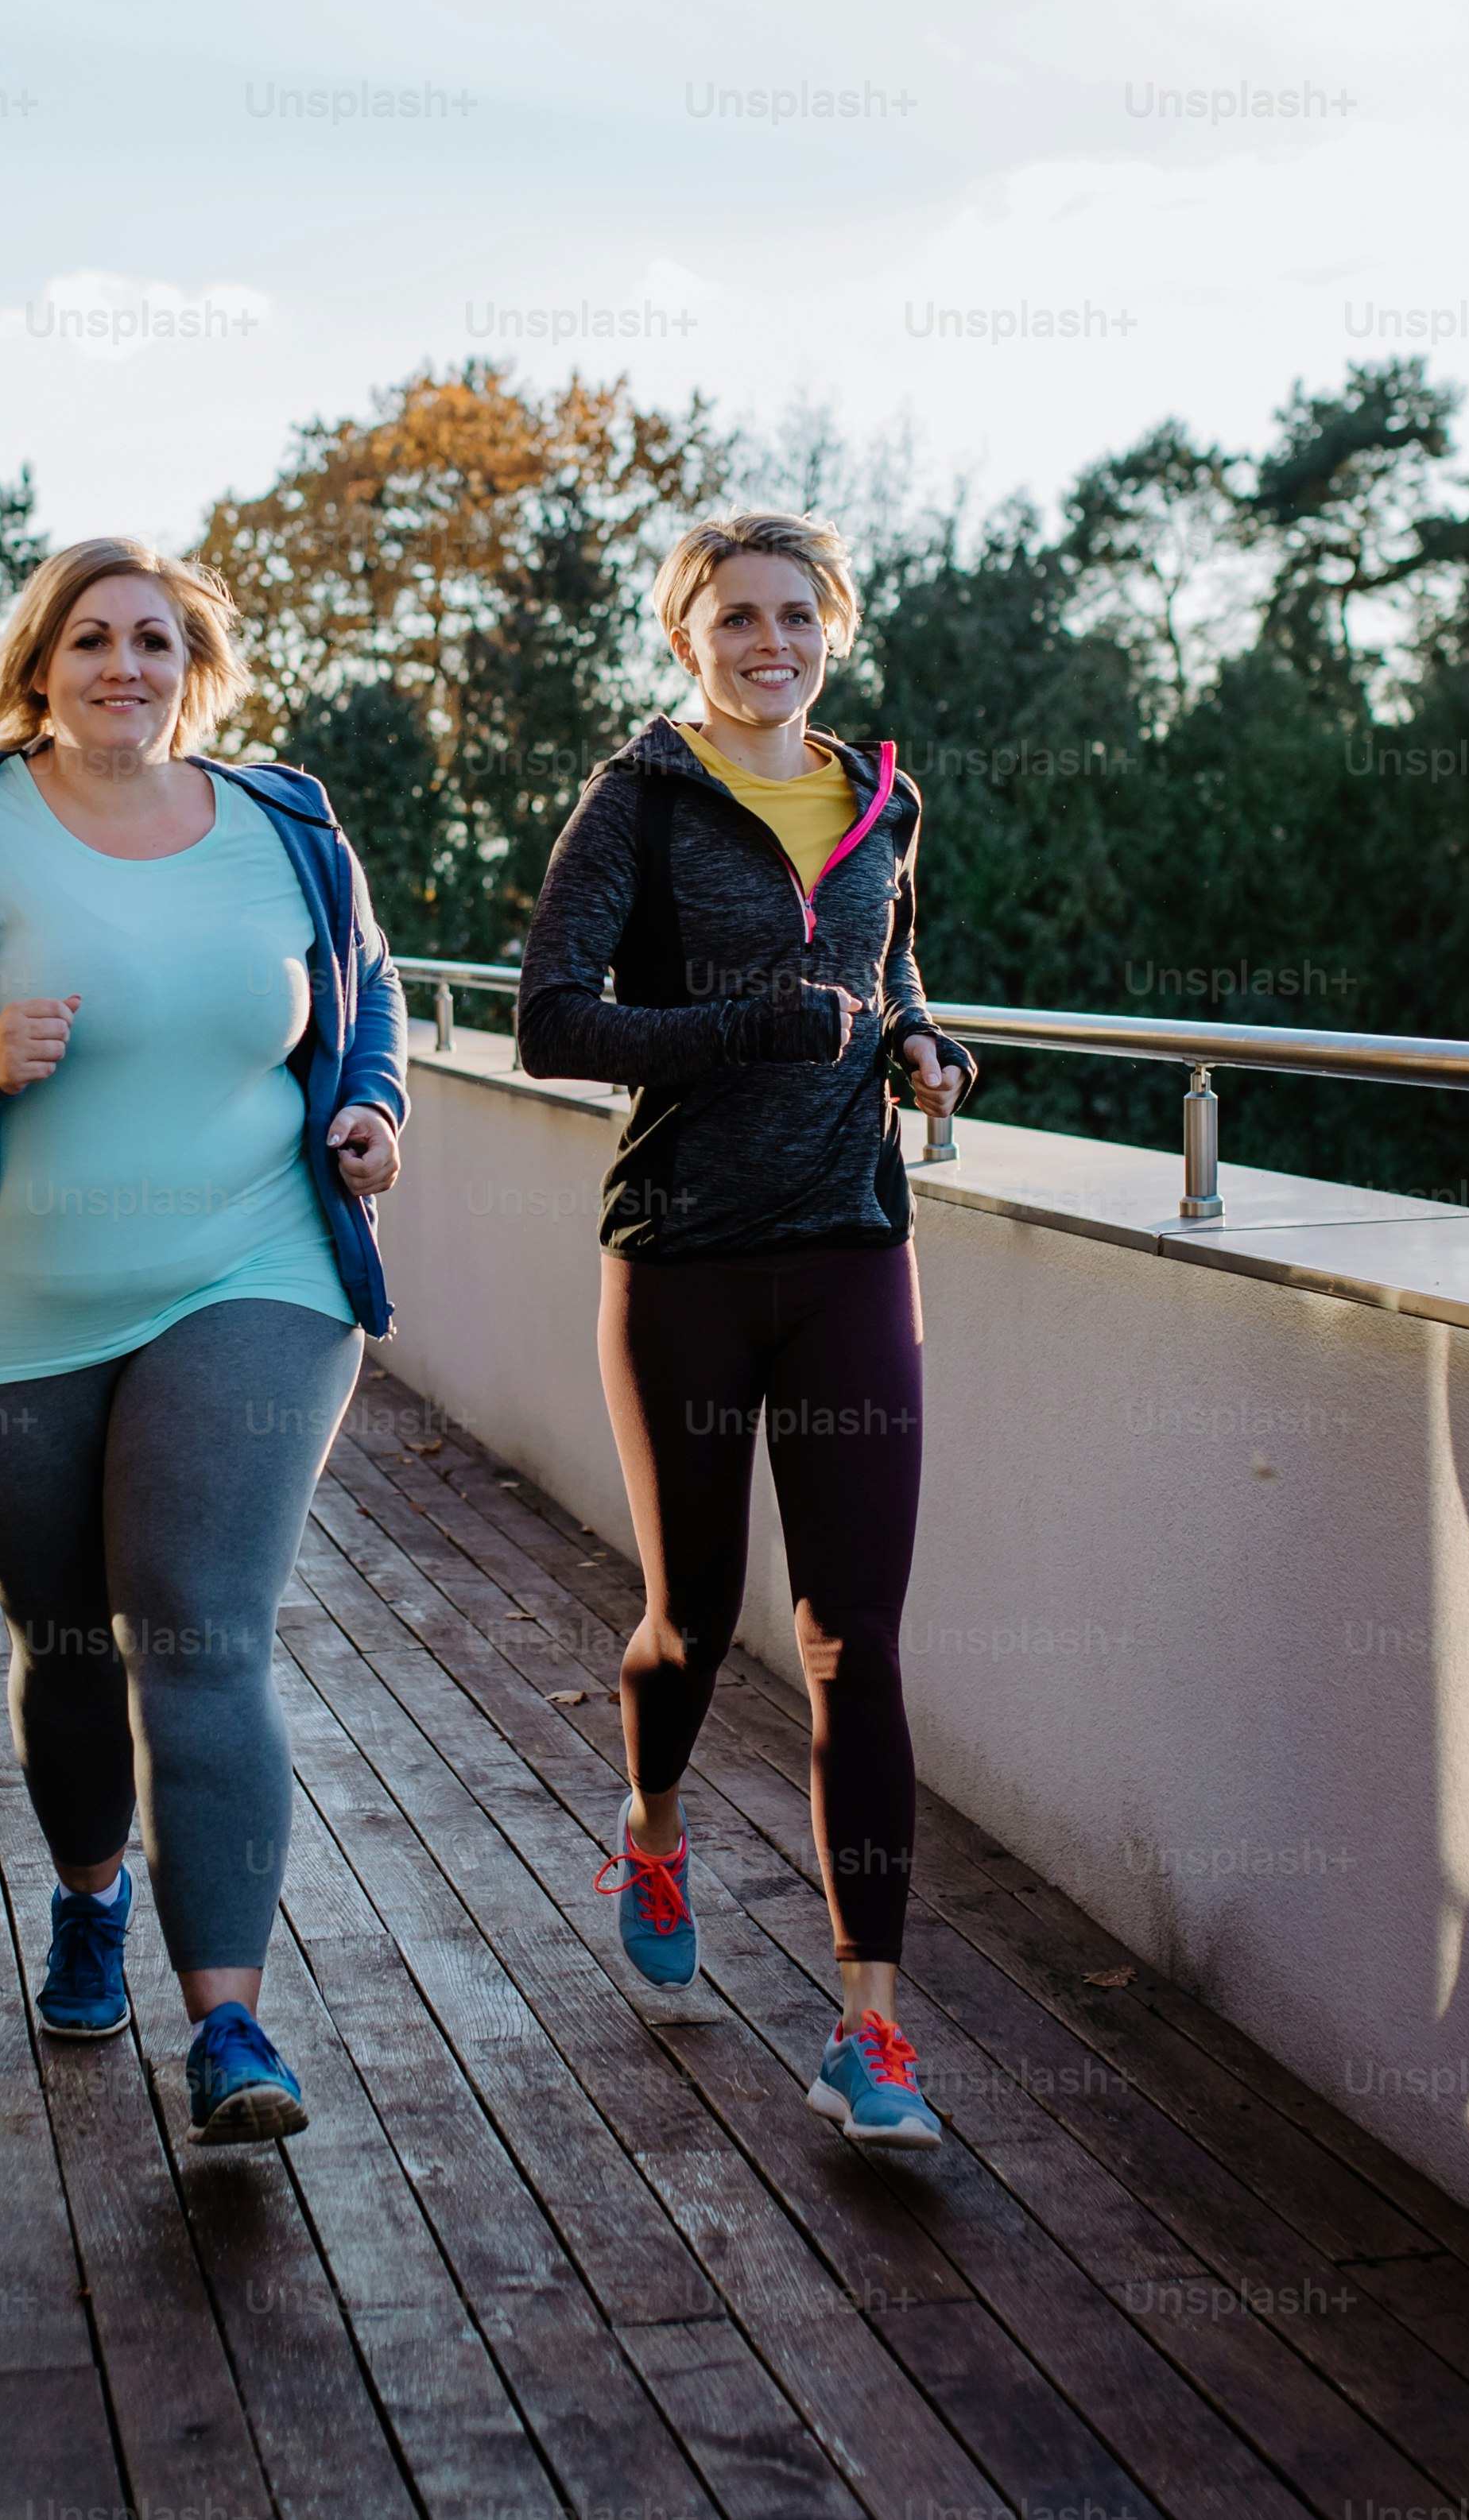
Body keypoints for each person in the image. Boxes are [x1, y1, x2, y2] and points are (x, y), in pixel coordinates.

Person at [0, 536, 405, 2146]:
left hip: (254, 1271)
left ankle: (233, 2026)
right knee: (68, 1642)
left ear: (193, 664)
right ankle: (87, 1893)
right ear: (39, 665)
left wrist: (369, 1106)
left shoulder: (287, 824)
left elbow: (365, 995)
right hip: (6, 1321)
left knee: (198, 1627)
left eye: (153, 637)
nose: (123, 663)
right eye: (91, 637)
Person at [515, 510, 976, 2147]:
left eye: (795, 613)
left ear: (830, 629)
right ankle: (650, 1823)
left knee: (856, 1638)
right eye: (734, 616)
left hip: (853, 1242)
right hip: (685, 1256)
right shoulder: (638, 795)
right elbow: (549, 1019)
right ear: (685, 634)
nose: (767, 640)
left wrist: (922, 1047)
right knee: (691, 1619)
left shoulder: (881, 796)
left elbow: (891, 963)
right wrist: (738, 1029)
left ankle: (869, 2031)